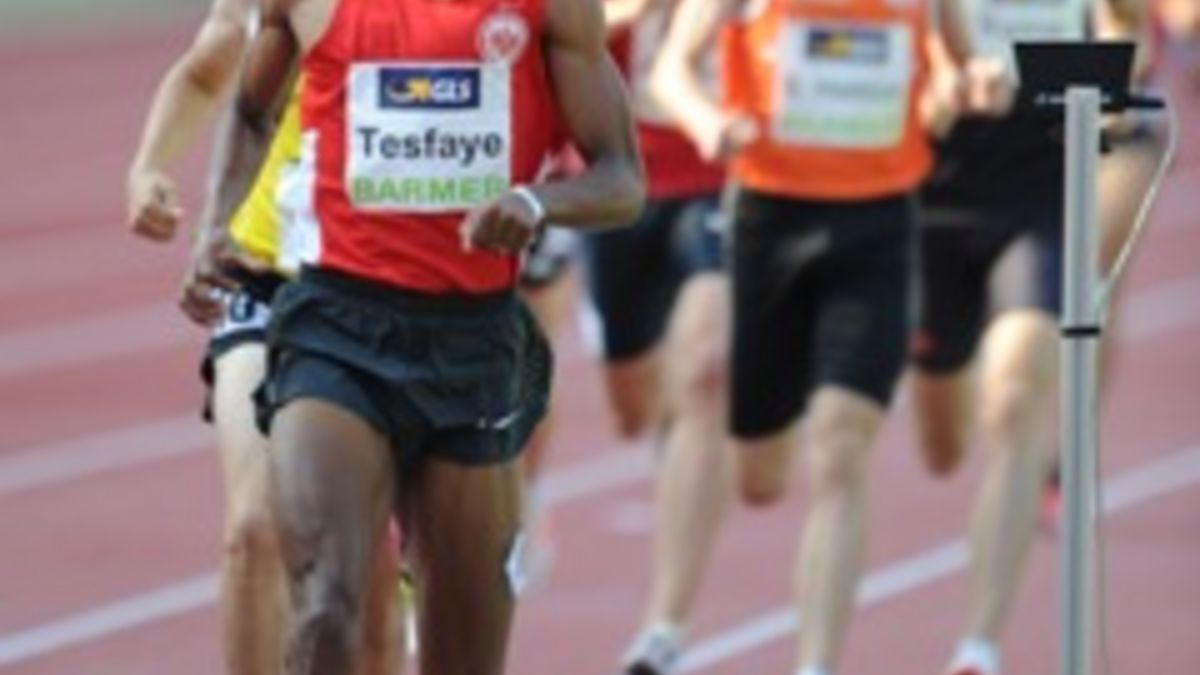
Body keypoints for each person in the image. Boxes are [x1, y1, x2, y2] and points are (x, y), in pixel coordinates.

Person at [199, 0, 645, 673]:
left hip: (472, 341)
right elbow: (249, 111)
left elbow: (620, 177)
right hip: (333, 326)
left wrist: (535, 203)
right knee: (323, 605)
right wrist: (217, 225)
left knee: (462, 653)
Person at [651, 0, 936, 673]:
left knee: (841, 445)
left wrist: (960, 86)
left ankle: (816, 662)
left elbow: (952, 61)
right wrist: (707, 121)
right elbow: (670, 69)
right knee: (760, 476)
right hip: (769, 219)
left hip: (878, 222)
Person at [125, 2, 404, 672]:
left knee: (369, 581)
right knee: (255, 531)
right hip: (268, 275)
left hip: (391, 288)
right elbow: (208, 72)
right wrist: (149, 167)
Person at [907, 0, 1170, 672]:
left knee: (1017, 391)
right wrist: (946, 86)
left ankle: (978, 645)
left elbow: (1130, 39)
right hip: (935, 197)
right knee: (943, 443)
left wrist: (1121, 57)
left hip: (1043, 192)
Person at [587, 2, 734, 673]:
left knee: (705, 367)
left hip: (724, 175)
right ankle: (676, 439)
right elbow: (565, 26)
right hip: (623, 178)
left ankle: (663, 626)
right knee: (634, 406)